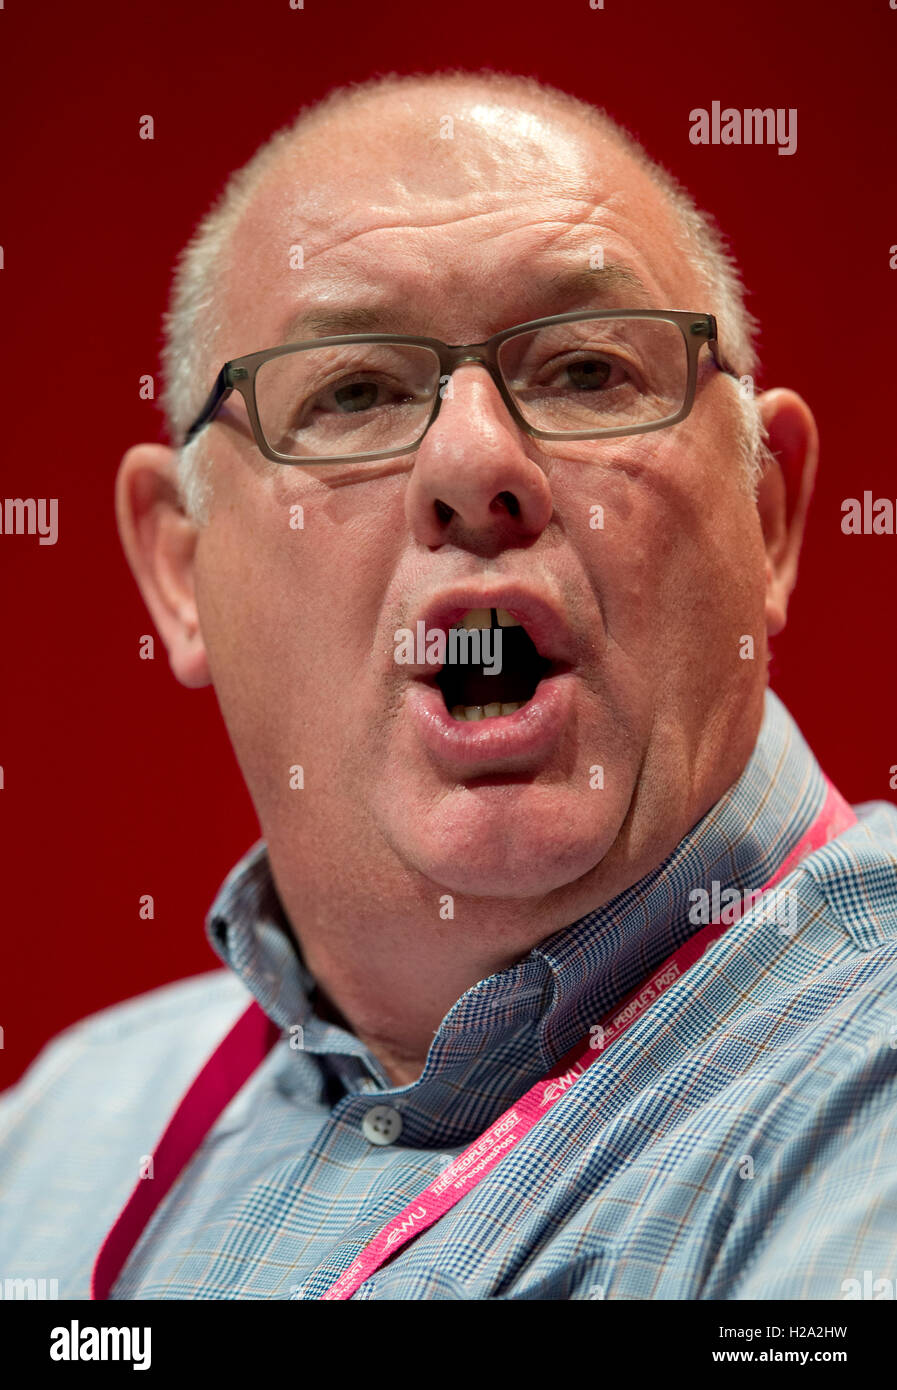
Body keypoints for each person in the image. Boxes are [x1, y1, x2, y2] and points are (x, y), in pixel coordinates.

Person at [2, 68, 896, 1302]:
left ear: (769, 515)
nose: (475, 463)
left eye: (585, 370)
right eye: (353, 393)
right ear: (179, 569)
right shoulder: (63, 1132)